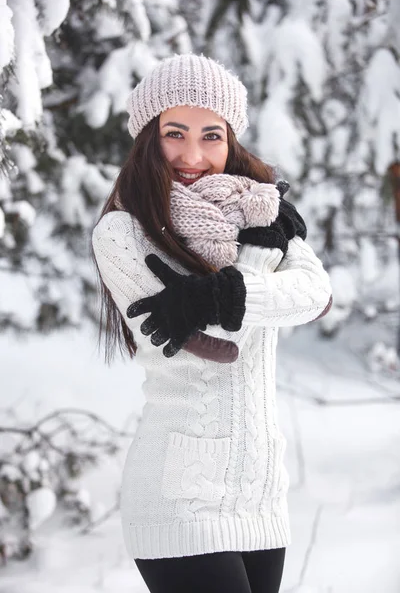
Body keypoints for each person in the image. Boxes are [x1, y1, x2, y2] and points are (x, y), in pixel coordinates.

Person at [92, 53, 332, 593]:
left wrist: (232, 279)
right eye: (174, 133)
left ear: (231, 142)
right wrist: (258, 254)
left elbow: (316, 295)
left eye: (212, 135)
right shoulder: (122, 233)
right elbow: (223, 343)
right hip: (178, 495)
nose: (193, 155)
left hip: (261, 493)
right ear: (148, 138)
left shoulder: (257, 211)